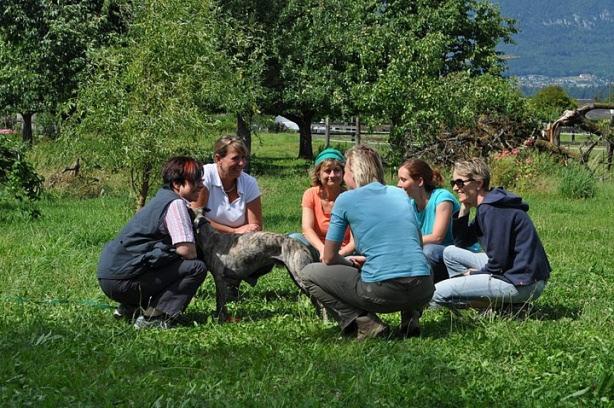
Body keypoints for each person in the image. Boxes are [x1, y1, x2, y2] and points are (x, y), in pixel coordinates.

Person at [301, 145, 434, 340]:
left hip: (382, 291)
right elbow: (416, 245)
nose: (343, 175)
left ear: (353, 172)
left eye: (345, 170)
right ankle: (410, 317)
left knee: (308, 274)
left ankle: (365, 323)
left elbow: (329, 257)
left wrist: (349, 263)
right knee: (411, 263)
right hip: (423, 288)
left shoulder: (345, 199)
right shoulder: (400, 194)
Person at [97, 156, 207, 329]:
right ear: (177, 184)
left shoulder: (160, 199)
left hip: (110, 277)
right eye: (195, 181)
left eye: (201, 180)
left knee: (169, 258)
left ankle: (130, 307)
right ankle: (154, 317)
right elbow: (187, 251)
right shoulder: (175, 204)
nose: (201, 185)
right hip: (123, 281)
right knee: (195, 267)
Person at [431, 158, 550, 309]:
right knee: (450, 253)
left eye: (460, 182)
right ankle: (491, 304)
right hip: (515, 272)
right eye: (453, 183)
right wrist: (464, 209)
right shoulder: (488, 205)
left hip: (521, 283)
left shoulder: (494, 210)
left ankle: (495, 306)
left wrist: (475, 274)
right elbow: (462, 242)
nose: (455, 188)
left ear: (479, 183)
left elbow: (498, 262)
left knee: (436, 293)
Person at [397, 159, 479, 283]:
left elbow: (437, 237)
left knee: (428, 251)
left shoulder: (442, 198)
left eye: (403, 180)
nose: (398, 184)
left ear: (419, 181)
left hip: (456, 255)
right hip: (434, 256)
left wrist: (406, 242)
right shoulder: (411, 205)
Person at [290, 147, 354, 261]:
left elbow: (355, 240)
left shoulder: (351, 197)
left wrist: (337, 255)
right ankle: (303, 276)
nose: (332, 175)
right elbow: (307, 229)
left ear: (343, 173)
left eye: (337, 170)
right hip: (317, 248)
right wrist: (323, 250)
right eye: (328, 171)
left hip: (344, 252)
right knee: (293, 238)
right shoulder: (310, 194)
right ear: (318, 174)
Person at [193, 136, 262, 234]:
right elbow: (196, 218)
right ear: (218, 159)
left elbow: (256, 227)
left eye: (243, 157)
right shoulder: (205, 176)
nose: (242, 163)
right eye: (235, 158)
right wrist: (234, 231)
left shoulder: (249, 183)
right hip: (206, 241)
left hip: (241, 242)